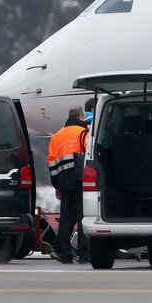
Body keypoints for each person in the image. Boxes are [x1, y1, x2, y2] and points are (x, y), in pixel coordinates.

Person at [47, 107, 91, 264]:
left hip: (64, 182)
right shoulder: (83, 133)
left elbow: (51, 163)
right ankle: (85, 254)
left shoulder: (56, 136)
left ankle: (64, 252)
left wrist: (57, 186)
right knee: (83, 217)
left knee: (66, 218)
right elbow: (90, 155)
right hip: (81, 180)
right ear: (80, 117)